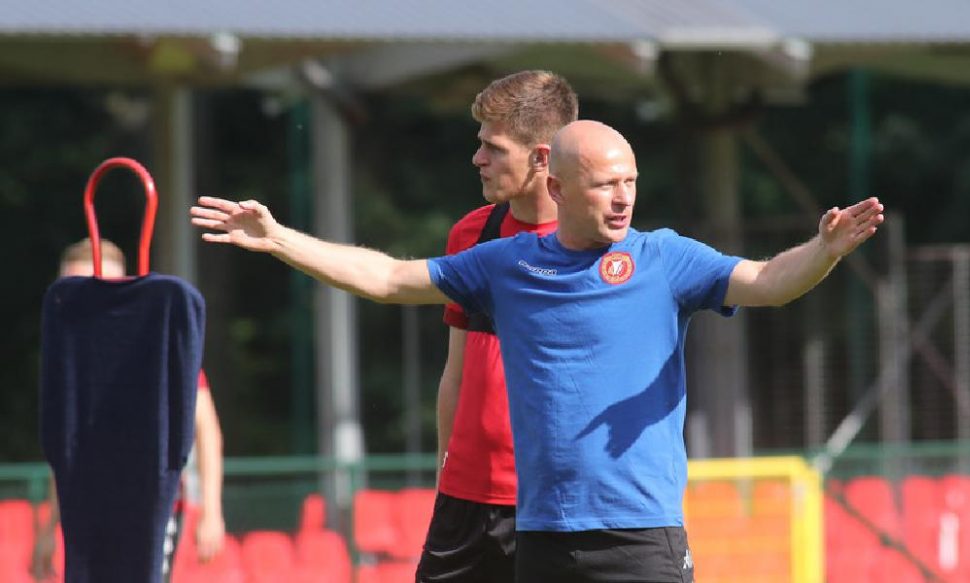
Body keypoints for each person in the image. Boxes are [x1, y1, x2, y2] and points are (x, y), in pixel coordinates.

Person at [191, 119, 884, 583]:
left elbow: (768, 283)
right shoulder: (508, 264)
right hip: (543, 536)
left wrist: (823, 250)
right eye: (605, 184)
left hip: (642, 536)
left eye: (630, 181)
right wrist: (281, 239)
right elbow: (391, 278)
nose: (622, 198)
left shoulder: (666, 258)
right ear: (558, 188)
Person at [419, 70, 577, 582]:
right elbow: (457, 372)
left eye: (494, 147)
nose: (478, 158)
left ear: (542, 157)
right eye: (480, 143)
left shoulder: (599, 247)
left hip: (557, 506)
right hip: (465, 500)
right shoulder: (471, 234)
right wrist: (445, 474)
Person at [32, 238, 226, 582]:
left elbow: (206, 429)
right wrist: (50, 527)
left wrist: (212, 509)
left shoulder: (158, 354)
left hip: (152, 506)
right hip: (89, 506)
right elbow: (67, 452)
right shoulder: (72, 363)